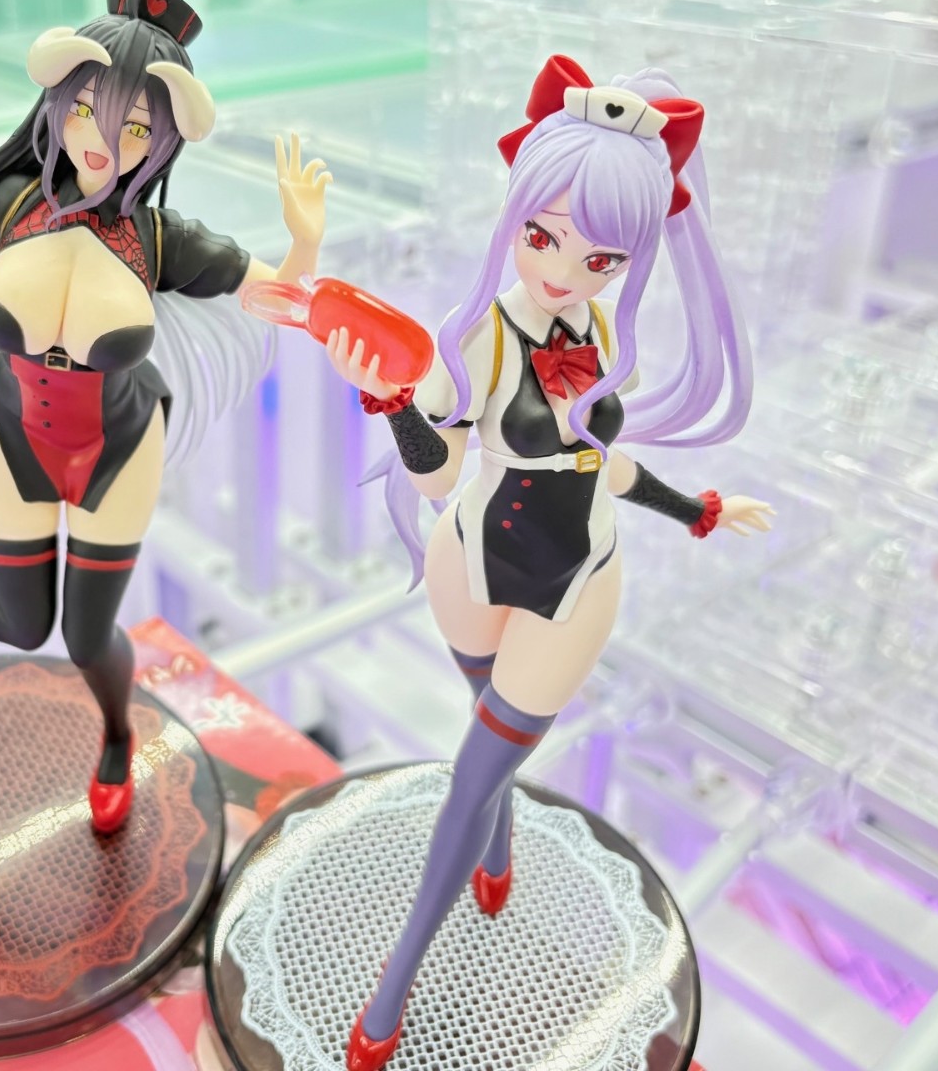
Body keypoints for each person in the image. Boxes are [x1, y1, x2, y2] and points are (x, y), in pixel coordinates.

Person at [322, 54, 772, 1069]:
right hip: (471, 562)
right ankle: (499, 848)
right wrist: (391, 405)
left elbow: (603, 465)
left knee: (472, 771)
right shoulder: (481, 336)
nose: (565, 270)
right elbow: (441, 477)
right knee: (486, 744)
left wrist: (696, 509)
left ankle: (392, 989)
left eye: (600, 255)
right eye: (542, 236)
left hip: (575, 585)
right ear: (515, 217)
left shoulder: (604, 331)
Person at [0, 0, 331, 834]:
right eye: (91, 110)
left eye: (137, 126)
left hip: (118, 446)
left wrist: (305, 238)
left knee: (88, 635)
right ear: (58, 102)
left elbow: (279, 297)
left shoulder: (161, 240)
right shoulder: (7, 204)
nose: (106, 140)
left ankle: (116, 736)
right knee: (24, 625)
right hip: (10, 430)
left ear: (163, 142)